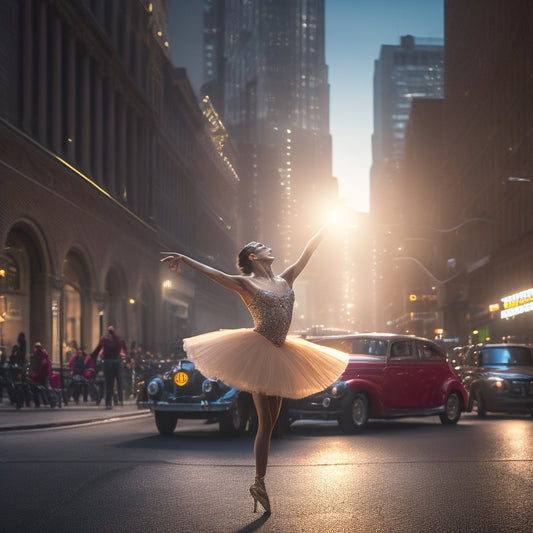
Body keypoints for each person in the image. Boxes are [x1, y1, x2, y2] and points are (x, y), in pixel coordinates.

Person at [161, 225, 348, 514]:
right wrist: (185, 259)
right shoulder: (245, 283)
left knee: (272, 422)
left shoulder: (286, 278)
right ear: (252, 256)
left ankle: (259, 483)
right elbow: (216, 275)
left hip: (284, 352)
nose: (267, 247)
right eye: (261, 246)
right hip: (259, 352)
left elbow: (308, 251)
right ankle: (259, 482)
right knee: (264, 421)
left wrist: (327, 225)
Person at [91, 326, 126, 409]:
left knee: (109, 383)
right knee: (119, 380)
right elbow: (121, 348)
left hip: (107, 362)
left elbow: (98, 349)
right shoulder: (118, 339)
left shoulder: (103, 339)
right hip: (116, 362)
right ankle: (120, 400)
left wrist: (92, 356)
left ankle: (108, 402)